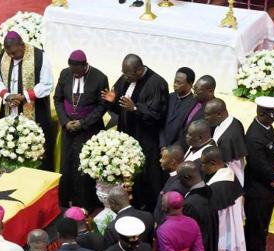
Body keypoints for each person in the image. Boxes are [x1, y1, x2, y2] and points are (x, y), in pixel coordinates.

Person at [101, 54, 168, 211]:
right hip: (126, 133)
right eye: (123, 72)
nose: (124, 77)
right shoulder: (127, 78)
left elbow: (157, 115)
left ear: (139, 70)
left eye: (128, 74)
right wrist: (112, 102)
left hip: (144, 138)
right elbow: (120, 105)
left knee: (143, 175)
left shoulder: (157, 83)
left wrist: (135, 108)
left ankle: (144, 207)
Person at [54, 49, 109, 211]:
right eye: (72, 71)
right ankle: (66, 201)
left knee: (83, 167)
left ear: (85, 65)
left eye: (77, 72)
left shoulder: (100, 78)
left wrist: (83, 123)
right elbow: (57, 99)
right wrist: (65, 122)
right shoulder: (65, 74)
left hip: (89, 130)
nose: (75, 75)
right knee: (67, 164)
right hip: (68, 129)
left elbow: (102, 106)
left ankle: (84, 203)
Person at [0, 31, 54, 171]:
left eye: (14, 53)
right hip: (10, 109)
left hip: (34, 110)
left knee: (34, 150)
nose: (11, 57)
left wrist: (25, 96)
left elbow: (47, 84)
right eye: (9, 54)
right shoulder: (2, 56)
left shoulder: (39, 56)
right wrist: (6, 95)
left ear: (22, 45)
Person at [244, 96, 274, 251]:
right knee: (256, 226)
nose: (273, 118)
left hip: (266, 189)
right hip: (257, 190)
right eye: (270, 115)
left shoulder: (267, 128)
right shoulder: (254, 136)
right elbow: (259, 165)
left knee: (263, 226)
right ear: (260, 113)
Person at [201, 147, 246, 251]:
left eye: (204, 165)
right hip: (232, 232)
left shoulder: (218, 188)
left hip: (223, 234)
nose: (202, 168)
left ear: (213, 164)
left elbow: (214, 214)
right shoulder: (229, 172)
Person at [203, 98, 247, 185]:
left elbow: (224, 165)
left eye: (208, 115)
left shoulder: (227, 138)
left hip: (229, 178)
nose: (205, 118)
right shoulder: (234, 121)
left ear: (219, 114)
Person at [160, 67, 197, 149]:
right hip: (160, 145)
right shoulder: (170, 97)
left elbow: (186, 132)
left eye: (179, 83)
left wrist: (172, 149)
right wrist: (162, 145)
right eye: (175, 81)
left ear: (190, 85)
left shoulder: (194, 104)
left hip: (177, 150)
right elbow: (161, 121)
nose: (175, 85)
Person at [154, 144, 189, 225]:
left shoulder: (178, 185)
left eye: (163, 158)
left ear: (173, 162)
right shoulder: (174, 176)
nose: (160, 160)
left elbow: (171, 213)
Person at [182, 75, 216, 150]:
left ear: (210, 91)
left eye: (198, 89)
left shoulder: (214, 110)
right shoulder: (194, 99)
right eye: (194, 88)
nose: (194, 91)